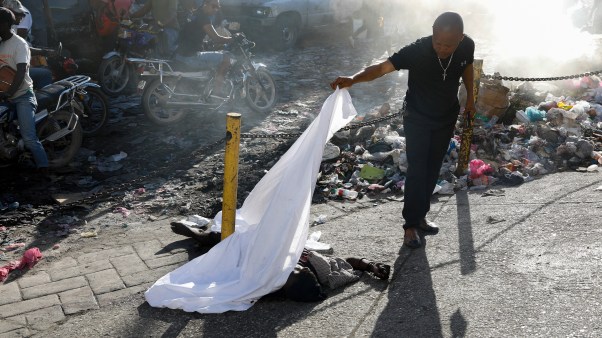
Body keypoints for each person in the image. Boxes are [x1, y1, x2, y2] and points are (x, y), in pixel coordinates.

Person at [330, 12, 475, 249]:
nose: (442, 48)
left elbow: (467, 66)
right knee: (418, 168)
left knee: (432, 167)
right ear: (432, 33)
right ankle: (409, 225)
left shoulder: (467, 45)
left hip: (446, 116)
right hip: (417, 117)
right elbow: (381, 68)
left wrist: (469, 98)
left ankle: (421, 216)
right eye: (438, 42)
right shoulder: (417, 51)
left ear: (460, 38)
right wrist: (353, 79)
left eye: (449, 45)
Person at [169, 221, 391, 302]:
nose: (293, 268)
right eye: (299, 269)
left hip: (254, 258)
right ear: (309, 272)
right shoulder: (323, 271)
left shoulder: (266, 284)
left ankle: (201, 236)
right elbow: (348, 263)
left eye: (288, 274)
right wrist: (370, 264)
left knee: (235, 245)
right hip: (281, 246)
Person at [0, 7, 48, 170]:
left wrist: (9, 93)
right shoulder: (0, 44)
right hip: (5, 95)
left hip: (22, 96)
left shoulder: (20, 44)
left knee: (29, 139)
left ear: (6, 24)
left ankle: (44, 168)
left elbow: (21, 72)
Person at [174, 0, 232, 98]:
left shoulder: (193, 14)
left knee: (211, 56)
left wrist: (205, 43)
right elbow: (216, 38)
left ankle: (203, 87)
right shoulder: (204, 18)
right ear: (205, 4)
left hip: (180, 54)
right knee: (226, 59)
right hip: (191, 57)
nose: (216, 10)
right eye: (213, 6)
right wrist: (233, 39)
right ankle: (216, 93)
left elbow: (191, 35)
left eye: (218, 7)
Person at [2, 0, 54, 88]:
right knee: (45, 73)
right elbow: (21, 50)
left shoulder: (10, 29)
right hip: (7, 72)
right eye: (18, 14)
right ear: (8, 13)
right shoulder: (7, 33)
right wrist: (44, 52)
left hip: (8, 67)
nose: (22, 16)